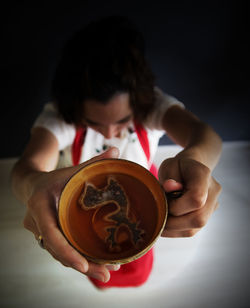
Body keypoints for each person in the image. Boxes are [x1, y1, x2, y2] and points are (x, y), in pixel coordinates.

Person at [11, 15, 222, 288]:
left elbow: (206, 136)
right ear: (74, 108)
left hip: (141, 192)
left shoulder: (152, 106)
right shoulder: (60, 116)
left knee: (138, 265)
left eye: (122, 122)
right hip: (87, 201)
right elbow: (25, 168)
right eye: (94, 123)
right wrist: (32, 185)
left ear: (139, 102)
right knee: (97, 265)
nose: (110, 135)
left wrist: (195, 159)